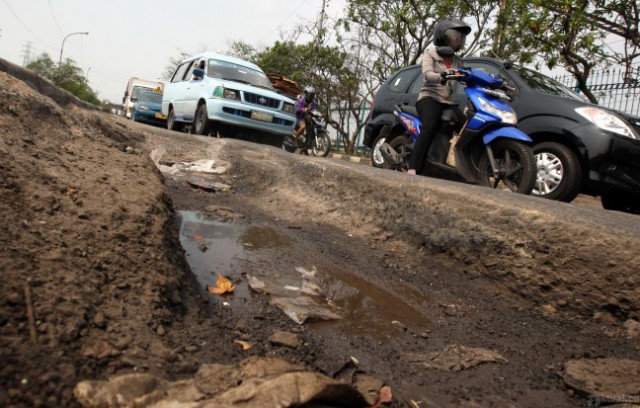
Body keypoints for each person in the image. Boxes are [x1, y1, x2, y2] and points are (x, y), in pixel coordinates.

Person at [407, 18, 471, 175]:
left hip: (447, 102)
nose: (458, 40)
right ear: (443, 36)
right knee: (430, 126)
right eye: (455, 36)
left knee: (467, 127)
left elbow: (467, 75)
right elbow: (428, 74)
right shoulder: (430, 54)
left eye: (460, 38)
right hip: (429, 98)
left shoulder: (458, 61)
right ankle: (413, 168)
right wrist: (443, 75)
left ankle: (463, 167)